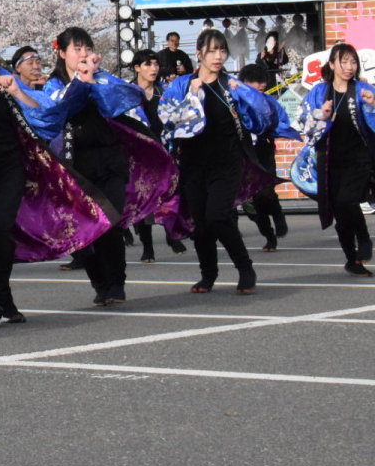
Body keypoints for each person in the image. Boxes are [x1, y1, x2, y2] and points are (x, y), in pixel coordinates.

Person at [0, 15, 115, 327]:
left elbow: (44, 114)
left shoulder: (3, 76)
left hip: (7, 166)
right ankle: (5, 300)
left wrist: (16, 91)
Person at [44, 29, 176, 306]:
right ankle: (100, 284)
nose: (82, 54)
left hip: (109, 159)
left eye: (86, 48)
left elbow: (125, 99)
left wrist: (94, 80)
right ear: (61, 53)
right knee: (86, 230)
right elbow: (56, 109)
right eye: (76, 49)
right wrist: (82, 82)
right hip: (74, 164)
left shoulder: (103, 77)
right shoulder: (53, 84)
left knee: (110, 222)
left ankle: (117, 283)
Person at [159, 28, 281, 294]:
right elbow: (166, 118)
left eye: (222, 50)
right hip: (192, 163)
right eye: (212, 50)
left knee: (218, 216)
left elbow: (264, 116)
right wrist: (191, 96)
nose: (218, 56)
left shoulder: (231, 85)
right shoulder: (181, 85)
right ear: (199, 53)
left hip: (228, 161)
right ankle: (208, 274)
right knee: (200, 224)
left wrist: (246, 94)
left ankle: (245, 267)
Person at [293, 43, 375, 277]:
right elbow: (303, 122)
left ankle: (364, 239)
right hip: (330, 160)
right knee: (340, 209)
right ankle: (352, 259)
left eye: (353, 62)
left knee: (348, 201)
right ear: (331, 64)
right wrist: (322, 115)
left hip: (360, 158)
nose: (349, 67)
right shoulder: (319, 92)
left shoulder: (362, 89)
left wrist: (373, 104)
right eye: (344, 61)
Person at [126, 49, 188, 262]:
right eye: (147, 65)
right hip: (139, 154)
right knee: (141, 199)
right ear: (137, 68)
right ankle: (147, 246)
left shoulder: (165, 93)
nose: (153, 69)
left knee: (169, 193)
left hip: (163, 151)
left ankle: (172, 234)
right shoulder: (127, 93)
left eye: (155, 64)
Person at [236, 64, 292, 253]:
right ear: (244, 83)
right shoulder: (235, 102)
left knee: (266, 191)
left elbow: (283, 121)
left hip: (263, 149)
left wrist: (272, 131)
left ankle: (277, 215)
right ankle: (268, 235)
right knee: (252, 200)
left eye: (263, 81)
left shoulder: (268, 101)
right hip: (243, 152)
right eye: (256, 81)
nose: (261, 85)